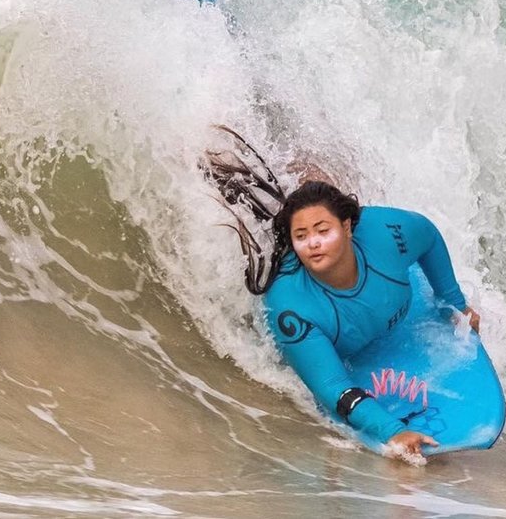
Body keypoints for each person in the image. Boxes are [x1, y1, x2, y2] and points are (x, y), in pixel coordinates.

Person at [202, 129, 480, 457]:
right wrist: (393, 431)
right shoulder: (290, 309)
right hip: (330, 349)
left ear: (347, 227)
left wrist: (454, 304)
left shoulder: (385, 234)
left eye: (323, 230)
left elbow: (429, 236)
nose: (314, 242)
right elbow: (333, 389)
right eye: (301, 235)